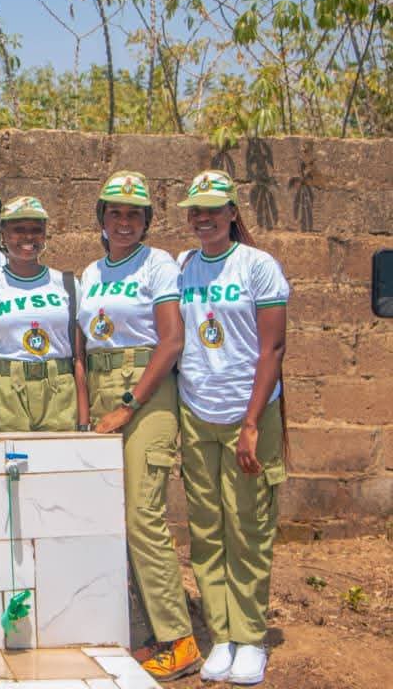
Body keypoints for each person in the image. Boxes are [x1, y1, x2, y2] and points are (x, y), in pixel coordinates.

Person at [78, 171, 200, 681]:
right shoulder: (90, 272)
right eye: (115, 213)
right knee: (112, 516)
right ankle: (146, 630)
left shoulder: (158, 264)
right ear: (101, 218)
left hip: (146, 391)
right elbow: (84, 344)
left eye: (134, 214)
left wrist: (129, 405)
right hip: (102, 386)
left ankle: (179, 639)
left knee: (143, 516)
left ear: (147, 221)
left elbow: (171, 341)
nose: (124, 222)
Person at [176, 170, 289, 686]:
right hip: (197, 411)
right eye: (196, 211)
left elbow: (273, 348)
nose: (204, 218)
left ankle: (251, 636)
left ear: (232, 213)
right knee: (206, 528)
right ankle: (221, 634)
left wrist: (251, 422)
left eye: (213, 210)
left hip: (248, 414)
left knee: (247, 527)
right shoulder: (184, 266)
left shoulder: (257, 266)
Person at [0, 196, 88, 432]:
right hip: (7, 395)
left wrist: (84, 421)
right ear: (3, 234)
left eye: (36, 230)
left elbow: (79, 359)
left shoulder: (67, 284)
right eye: (18, 230)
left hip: (59, 393)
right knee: (13, 456)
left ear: (45, 235)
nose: (28, 237)